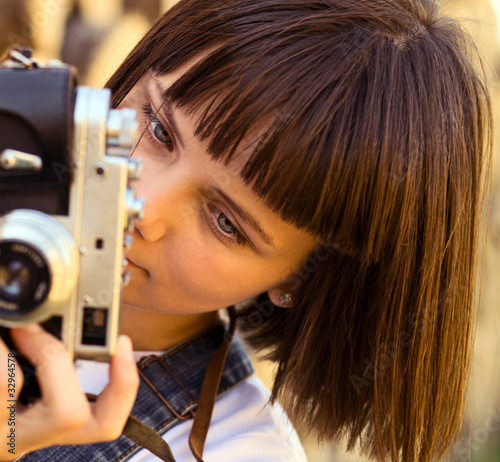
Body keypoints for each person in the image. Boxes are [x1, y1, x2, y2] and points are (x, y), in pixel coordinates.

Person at [0, 0, 492, 461]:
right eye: (158, 130)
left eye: (225, 222)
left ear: (298, 280)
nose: (143, 208)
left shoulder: (238, 449)